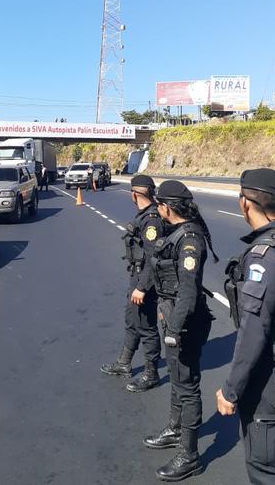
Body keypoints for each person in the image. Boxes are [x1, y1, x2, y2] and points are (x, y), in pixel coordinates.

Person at [217, 168, 275, 484]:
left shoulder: (265, 257)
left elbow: (254, 329)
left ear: (245, 203)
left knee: (269, 468)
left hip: (272, 373)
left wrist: (231, 389)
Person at [145, 180, 217, 482]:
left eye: (158, 204)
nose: (156, 209)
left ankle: (190, 455)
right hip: (174, 317)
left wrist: (174, 329)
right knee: (177, 379)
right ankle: (176, 429)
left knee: (187, 387)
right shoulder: (175, 233)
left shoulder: (189, 241)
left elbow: (187, 291)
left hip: (185, 322)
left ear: (166, 207)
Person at [101, 175, 163, 391]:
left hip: (146, 281)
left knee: (146, 326)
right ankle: (124, 363)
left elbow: (153, 258)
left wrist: (142, 288)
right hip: (137, 277)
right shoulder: (146, 215)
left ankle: (151, 373)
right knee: (132, 320)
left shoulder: (152, 220)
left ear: (135, 194)